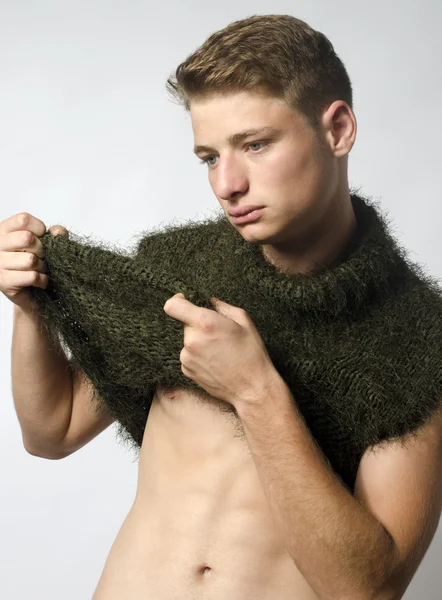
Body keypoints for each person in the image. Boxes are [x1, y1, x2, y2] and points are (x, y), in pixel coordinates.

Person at [2, 14, 441, 600]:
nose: (226, 184)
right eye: (209, 156)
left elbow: (365, 589)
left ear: (336, 130)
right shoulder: (175, 267)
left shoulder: (420, 339)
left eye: (255, 145)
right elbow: (52, 431)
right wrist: (32, 306)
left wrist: (255, 390)